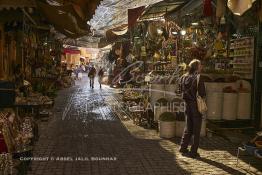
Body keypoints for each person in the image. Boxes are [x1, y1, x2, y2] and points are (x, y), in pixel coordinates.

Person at [179, 59, 206, 158]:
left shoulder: (183, 77)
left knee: (188, 127)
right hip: (195, 105)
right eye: (200, 65)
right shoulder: (198, 77)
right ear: (196, 67)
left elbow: (179, 90)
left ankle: (183, 147)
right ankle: (193, 151)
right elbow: (202, 93)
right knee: (196, 129)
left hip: (186, 104)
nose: (201, 66)